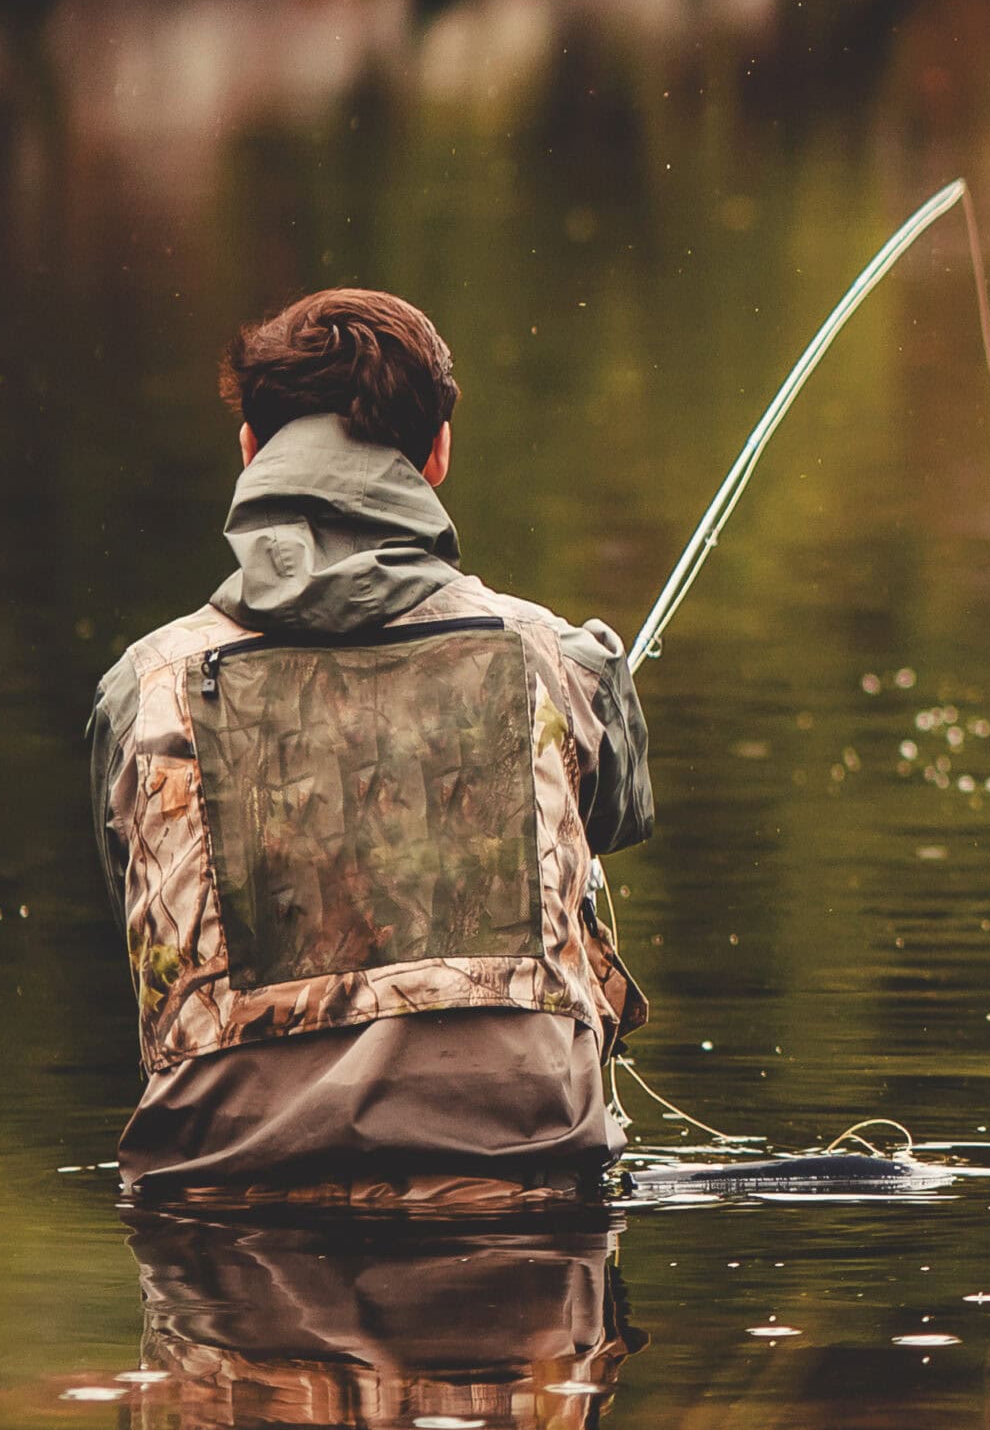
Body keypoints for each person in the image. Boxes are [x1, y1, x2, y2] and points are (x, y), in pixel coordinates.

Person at [88, 288, 652, 1210]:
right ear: (437, 456)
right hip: (528, 1202)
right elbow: (614, 820)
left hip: (218, 1220)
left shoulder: (138, 693)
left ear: (250, 453)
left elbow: (134, 909)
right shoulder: (566, 662)